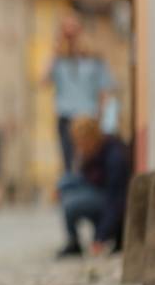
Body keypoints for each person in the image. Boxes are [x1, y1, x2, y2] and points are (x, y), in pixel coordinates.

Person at [46, 15, 116, 172]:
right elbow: (44, 80)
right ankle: (72, 190)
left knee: (88, 161)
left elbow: (105, 91)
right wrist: (55, 48)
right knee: (68, 162)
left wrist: (103, 121)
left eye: (74, 32)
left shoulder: (95, 60)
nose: (72, 38)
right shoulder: (60, 60)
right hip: (65, 116)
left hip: (88, 117)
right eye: (67, 33)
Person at [56, 116, 130, 258]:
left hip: (110, 201)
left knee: (71, 204)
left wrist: (100, 237)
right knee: (65, 184)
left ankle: (83, 240)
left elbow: (116, 200)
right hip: (99, 191)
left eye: (80, 142)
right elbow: (84, 178)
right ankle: (73, 241)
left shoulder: (114, 156)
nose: (78, 146)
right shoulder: (92, 153)